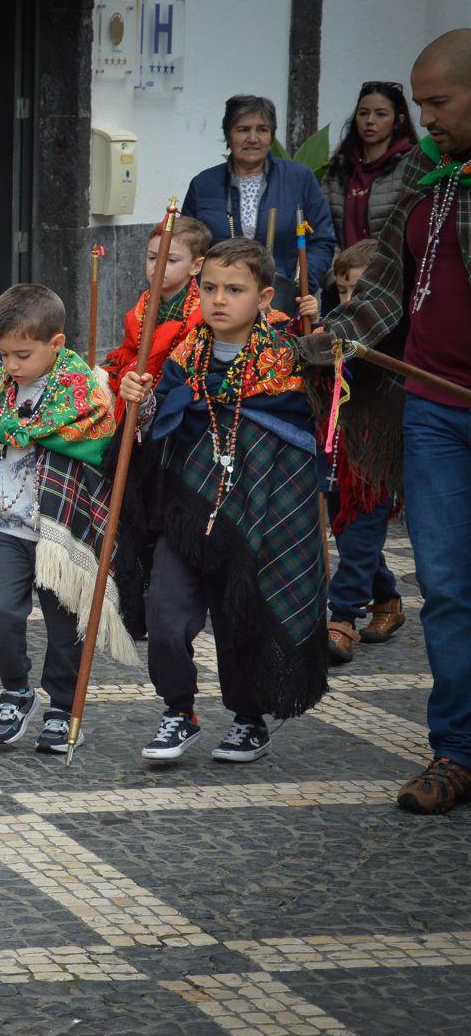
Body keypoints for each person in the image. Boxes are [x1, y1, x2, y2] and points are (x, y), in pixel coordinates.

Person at [299, 29, 471, 814]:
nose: (425, 117)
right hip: (435, 414)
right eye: (423, 102)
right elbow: (384, 294)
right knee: (447, 588)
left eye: (439, 101)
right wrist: (329, 337)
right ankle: (457, 749)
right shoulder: (423, 185)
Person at [121, 239, 327, 765]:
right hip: (185, 509)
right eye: (209, 287)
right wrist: (140, 407)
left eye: (234, 290)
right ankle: (178, 711)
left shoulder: (286, 359)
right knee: (164, 613)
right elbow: (157, 429)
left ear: (262, 297)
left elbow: (305, 435)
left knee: (242, 617)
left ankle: (248, 719)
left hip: (256, 510)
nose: (218, 300)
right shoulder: (185, 355)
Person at [0, 284, 138, 754]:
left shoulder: (83, 390)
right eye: (4, 355)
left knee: (64, 625)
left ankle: (63, 706)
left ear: (56, 344)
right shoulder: (2, 389)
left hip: (60, 528)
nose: (11, 366)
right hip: (7, 524)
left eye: (22, 355)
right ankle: (16, 689)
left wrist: (37, 437)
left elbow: (94, 446)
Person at [296, 241, 405, 663]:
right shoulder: (335, 328)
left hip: (376, 445)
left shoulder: (399, 336)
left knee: (360, 529)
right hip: (338, 442)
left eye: (358, 293)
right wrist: (313, 330)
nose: (348, 303)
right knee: (347, 527)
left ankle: (341, 618)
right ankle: (388, 600)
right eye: (341, 292)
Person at [183, 94, 337, 297]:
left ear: (271, 136)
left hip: (283, 299)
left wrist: (300, 284)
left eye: (262, 130)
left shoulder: (299, 179)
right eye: (243, 129)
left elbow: (322, 241)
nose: (253, 138)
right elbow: (187, 246)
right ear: (229, 136)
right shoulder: (203, 185)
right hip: (220, 300)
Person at [100, 216, 212, 425]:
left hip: (172, 400)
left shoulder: (203, 313)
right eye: (152, 258)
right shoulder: (143, 305)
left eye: (171, 260)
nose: (157, 267)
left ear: (196, 266)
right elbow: (128, 351)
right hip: (132, 390)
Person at [321, 81, 420, 247]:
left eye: (381, 114)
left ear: (398, 120)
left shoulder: (411, 165)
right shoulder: (339, 167)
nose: (370, 121)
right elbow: (321, 228)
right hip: (341, 269)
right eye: (363, 113)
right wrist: (338, 269)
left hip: (391, 270)